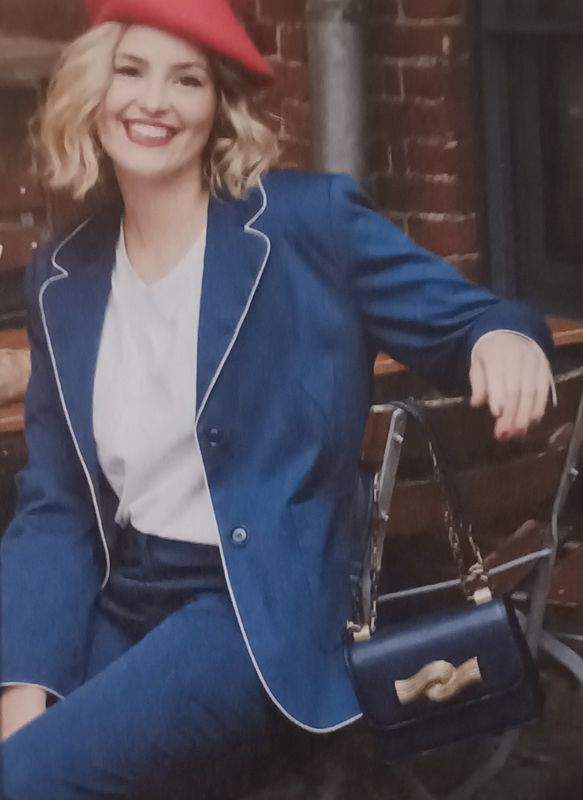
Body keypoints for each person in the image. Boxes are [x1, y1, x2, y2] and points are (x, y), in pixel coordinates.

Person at [0, 1, 554, 797]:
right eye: (131, 71)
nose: (153, 101)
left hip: (259, 608)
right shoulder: (63, 275)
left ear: (217, 108)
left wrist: (504, 339)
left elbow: (471, 320)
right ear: (93, 88)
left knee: (32, 780)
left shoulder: (305, 224)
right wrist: (22, 690)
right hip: (123, 594)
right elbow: (54, 508)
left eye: (186, 80)